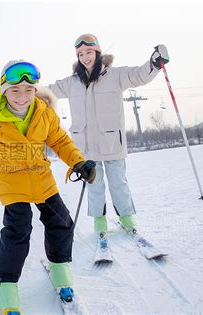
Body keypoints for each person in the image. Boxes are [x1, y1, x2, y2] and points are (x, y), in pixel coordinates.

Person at [0, 60, 96, 313]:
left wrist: (78, 163)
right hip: (10, 178)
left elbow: (59, 140)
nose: (22, 97)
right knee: (19, 227)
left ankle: (59, 266)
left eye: (29, 90)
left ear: (36, 91)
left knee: (61, 220)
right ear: (4, 90)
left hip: (40, 176)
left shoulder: (43, 112)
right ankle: (5, 283)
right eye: (15, 90)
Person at [48, 34, 169, 237]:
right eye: (81, 54)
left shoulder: (115, 76)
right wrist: (24, 90)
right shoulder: (72, 82)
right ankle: (100, 223)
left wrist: (154, 64)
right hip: (85, 146)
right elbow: (48, 91)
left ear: (97, 52)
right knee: (94, 185)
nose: (85, 57)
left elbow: (139, 75)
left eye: (89, 52)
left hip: (112, 141)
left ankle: (127, 220)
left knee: (118, 183)